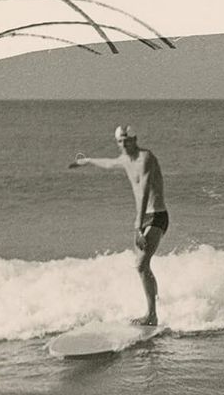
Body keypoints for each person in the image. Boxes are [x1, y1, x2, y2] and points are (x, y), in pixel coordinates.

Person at [69, 125, 169, 326]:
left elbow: (144, 191)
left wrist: (138, 226)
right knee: (144, 266)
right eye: (120, 141)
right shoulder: (125, 159)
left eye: (127, 140)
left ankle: (152, 315)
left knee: (141, 265)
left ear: (135, 139)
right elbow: (109, 163)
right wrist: (88, 161)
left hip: (156, 216)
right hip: (144, 219)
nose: (123, 144)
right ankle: (156, 304)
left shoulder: (145, 158)